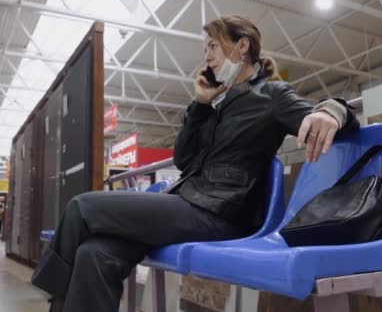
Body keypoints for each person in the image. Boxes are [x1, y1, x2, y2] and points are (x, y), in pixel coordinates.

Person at [31, 15, 359, 312]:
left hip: (221, 214)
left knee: (82, 207)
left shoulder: (271, 96)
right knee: (94, 253)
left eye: (213, 46)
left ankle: (51, 298)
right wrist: (200, 104)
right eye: (206, 48)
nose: (207, 55)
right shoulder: (219, 106)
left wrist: (332, 110)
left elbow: (322, 115)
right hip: (190, 204)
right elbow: (184, 159)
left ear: (242, 47)